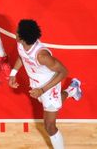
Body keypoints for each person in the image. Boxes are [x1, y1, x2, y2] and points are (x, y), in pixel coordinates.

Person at [9, 19, 82, 149]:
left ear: (21, 37)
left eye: (17, 31)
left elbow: (63, 72)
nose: (15, 31)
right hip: (37, 85)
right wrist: (13, 73)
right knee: (49, 105)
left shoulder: (42, 56)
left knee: (49, 126)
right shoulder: (21, 44)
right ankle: (72, 89)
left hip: (50, 86)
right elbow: (22, 56)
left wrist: (42, 90)